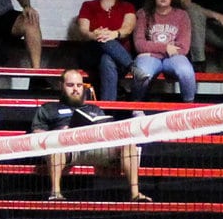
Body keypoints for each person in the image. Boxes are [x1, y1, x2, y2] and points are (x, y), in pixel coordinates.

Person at [29, 68, 146, 202]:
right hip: (67, 151)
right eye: (70, 85)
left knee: (128, 143)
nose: (76, 89)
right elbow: (37, 134)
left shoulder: (94, 109)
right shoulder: (48, 109)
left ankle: (136, 194)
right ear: (61, 86)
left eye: (79, 85)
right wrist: (59, 134)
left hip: (95, 147)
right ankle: (56, 193)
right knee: (55, 146)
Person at [73, 0, 136, 100]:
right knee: (103, 40)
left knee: (107, 60)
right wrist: (96, 35)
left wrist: (114, 34)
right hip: (92, 53)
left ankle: (108, 110)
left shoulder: (127, 6)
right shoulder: (88, 6)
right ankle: (134, 68)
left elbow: (128, 28)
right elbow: (83, 31)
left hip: (119, 58)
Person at [129, 0, 197, 100]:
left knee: (186, 72)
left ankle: (189, 108)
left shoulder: (182, 15)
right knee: (143, 73)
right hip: (152, 58)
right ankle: (137, 108)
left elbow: (184, 47)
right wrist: (166, 48)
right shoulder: (143, 13)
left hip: (172, 57)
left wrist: (151, 49)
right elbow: (139, 44)